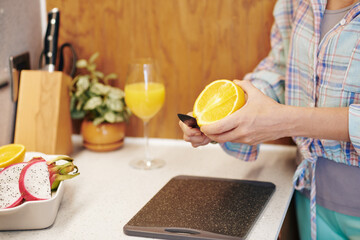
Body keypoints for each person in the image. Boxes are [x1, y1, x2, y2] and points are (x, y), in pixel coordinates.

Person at [179, 0, 360, 239]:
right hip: (309, 196)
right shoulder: (294, 2)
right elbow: (282, 69)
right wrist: (227, 113)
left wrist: (284, 121)